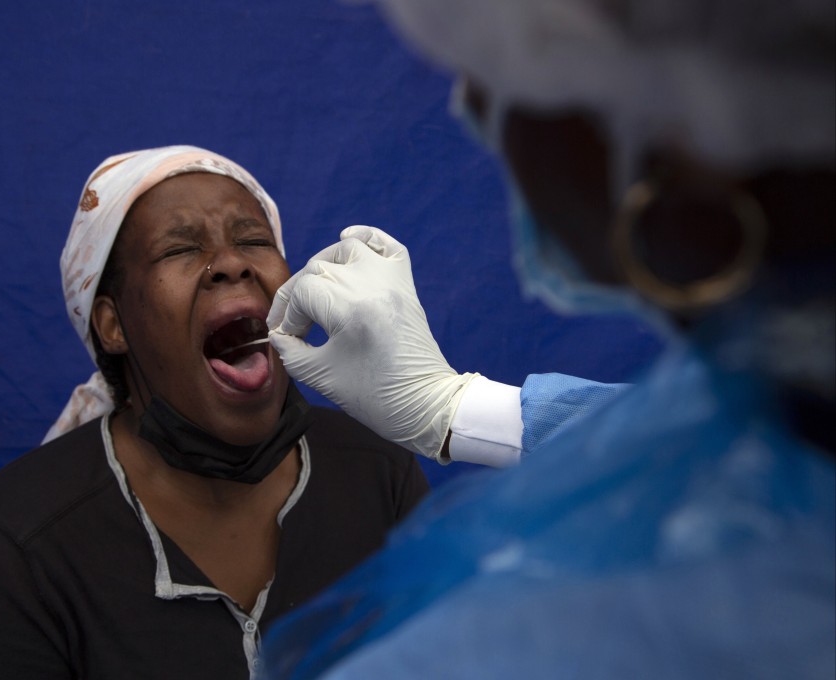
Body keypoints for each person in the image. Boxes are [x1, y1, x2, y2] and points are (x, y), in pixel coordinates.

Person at [260, 0, 834, 677]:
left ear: (693, 146)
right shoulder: (787, 420)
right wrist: (455, 408)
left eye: (496, 71)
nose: (470, 107)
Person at [0, 146, 429, 680]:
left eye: (253, 240)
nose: (231, 262)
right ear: (112, 325)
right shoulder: (22, 541)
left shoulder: (378, 473)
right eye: (179, 248)